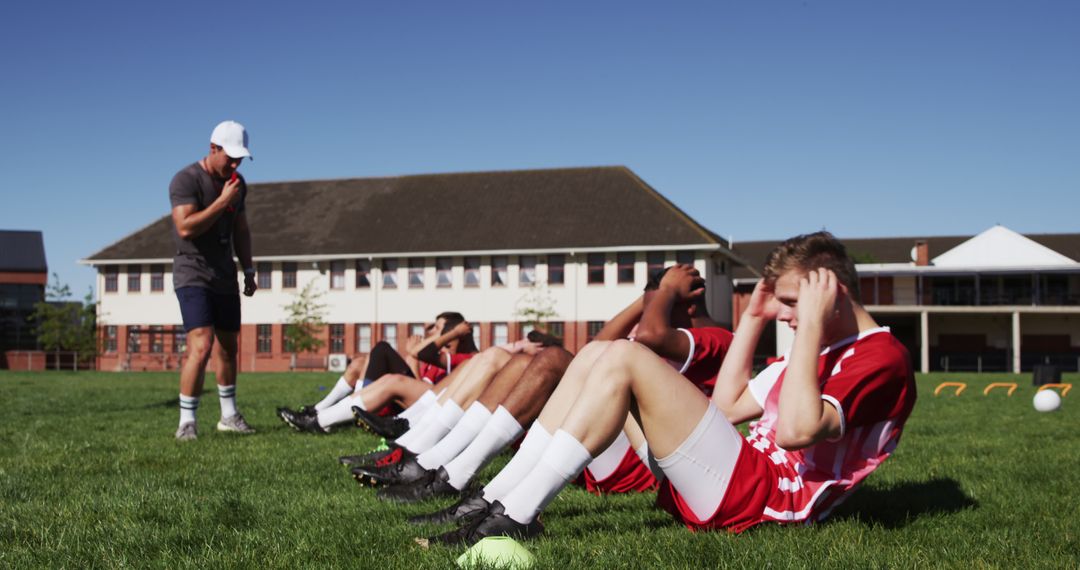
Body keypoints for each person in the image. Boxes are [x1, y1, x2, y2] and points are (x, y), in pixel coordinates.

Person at [430, 232, 917, 546]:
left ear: (834, 294)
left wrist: (807, 326)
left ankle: (516, 515)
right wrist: (752, 317)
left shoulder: (882, 356)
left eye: (792, 303)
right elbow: (727, 407)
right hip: (738, 478)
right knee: (597, 355)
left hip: (771, 498)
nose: (786, 315)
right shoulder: (819, 348)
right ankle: (495, 498)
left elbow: (796, 431)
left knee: (624, 355)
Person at [170, 120, 256, 441]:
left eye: (240, 159)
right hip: (192, 272)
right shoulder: (186, 180)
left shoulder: (238, 183)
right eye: (230, 157)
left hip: (224, 275)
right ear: (213, 148)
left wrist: (248, 270)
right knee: (201, 344)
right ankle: (187, 422)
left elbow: (241, 230)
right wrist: (221, 202)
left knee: (228, 347)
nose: (234, 164)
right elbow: (186, 228)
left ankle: (229, 416)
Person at [278, 313, 479, 434]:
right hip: (420, 401)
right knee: (361, 362)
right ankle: (320, 410)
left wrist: (416, 354)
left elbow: (422, 380)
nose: (431, 333)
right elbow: (421, 382)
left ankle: (323, 419)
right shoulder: (441, 356)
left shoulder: (464, 359)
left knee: (388, 362)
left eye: (437, 329)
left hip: (426, 408)